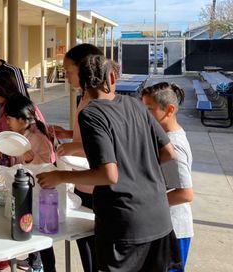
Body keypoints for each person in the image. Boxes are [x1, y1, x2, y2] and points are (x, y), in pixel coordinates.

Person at [38, 55, 182, 272]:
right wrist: (139, 168)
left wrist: (61, 176)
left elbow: (108, 175)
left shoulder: (91, 114)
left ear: (83, 83)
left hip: (125, 224)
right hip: (159, 218)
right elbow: (169, 153)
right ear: (113, 77)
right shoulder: (136, 105)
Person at [49, 43, 103, 272]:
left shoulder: (99, 102)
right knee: (86, 247)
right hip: (83, 182)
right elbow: (89, 135)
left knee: (96, 252)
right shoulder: (84, 96)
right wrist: (69, 134)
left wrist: (72, 148)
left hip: (96, 185)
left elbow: (103, 147)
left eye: (69, 71)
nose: (66, 76)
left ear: (85, 69)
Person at [142, 83, 194, 272]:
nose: (145, 115)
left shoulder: (173, 145)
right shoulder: (165, 136)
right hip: (162, 226)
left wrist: (145, 202)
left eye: (149, 109)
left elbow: (185, 194)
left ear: (169, 110)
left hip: (174, 231)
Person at [5, 94, 56, 272]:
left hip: (40, 194)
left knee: (41, 234)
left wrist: (30, 159)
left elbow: (47, 167)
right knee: (26, 227)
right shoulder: (18, 135)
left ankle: (42, 265)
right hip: (24, 191)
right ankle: (34, 259)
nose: (7, 122)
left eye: (10, 118)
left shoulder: (38, 138)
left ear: (22, 119)